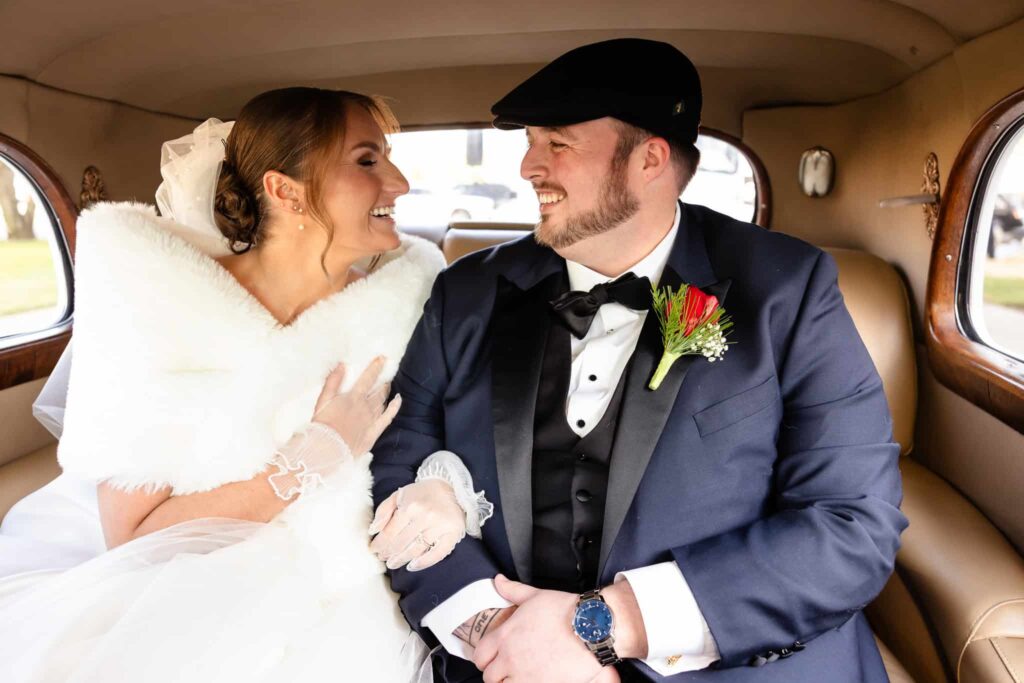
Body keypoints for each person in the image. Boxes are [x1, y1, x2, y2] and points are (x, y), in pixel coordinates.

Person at [370, 39, 907, 682]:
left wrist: (601, 625)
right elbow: (397, 452)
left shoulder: (787, 289)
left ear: (649, 159)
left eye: (557, 144)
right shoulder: (467, 291)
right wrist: (494, 630)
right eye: (529, 143)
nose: (528, 168)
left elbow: (851, 526)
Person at [0, 87, 490, 682]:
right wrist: (309, 461)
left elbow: (461, 439)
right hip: (183, 592)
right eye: (367, 161)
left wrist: (446, 486)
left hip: (366, 591)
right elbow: (131, 537)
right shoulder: (155, 303)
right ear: (286, 191)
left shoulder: (414, 299)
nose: (399, 183)